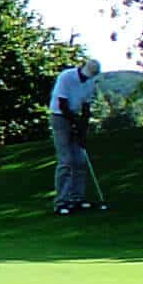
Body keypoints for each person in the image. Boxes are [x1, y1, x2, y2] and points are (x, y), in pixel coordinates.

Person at [48, 58, 101, 214]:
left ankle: (77, 198)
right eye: (85, 75)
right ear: (82, 67)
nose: (86, 78)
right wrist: (74, 122)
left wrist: (82, 129)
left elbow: (86, 108)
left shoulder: (90, 82)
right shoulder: (66, 77)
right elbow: (62, 104)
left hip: (75, 117)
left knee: (79, 159)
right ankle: (61, 203)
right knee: (66, 160)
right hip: (59, 117)